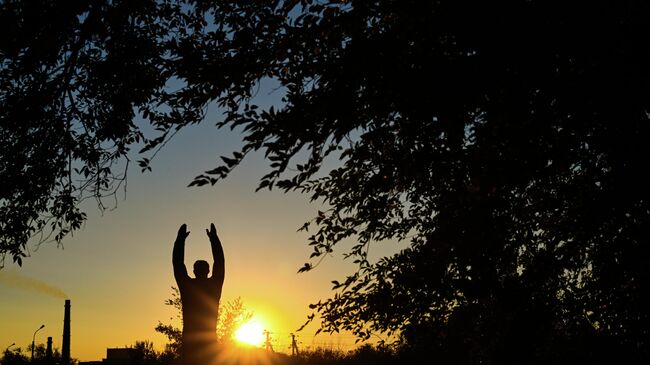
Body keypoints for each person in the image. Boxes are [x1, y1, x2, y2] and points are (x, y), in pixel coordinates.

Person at [173, 223, 225, 365]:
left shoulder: (188, 286)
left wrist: (180, 240)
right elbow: (220, 262)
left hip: (191, 342)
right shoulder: (214, 286)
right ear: (208, 271)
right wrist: (214, 239)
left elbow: (177, 263)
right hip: (208, 342)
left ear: (194, 271)